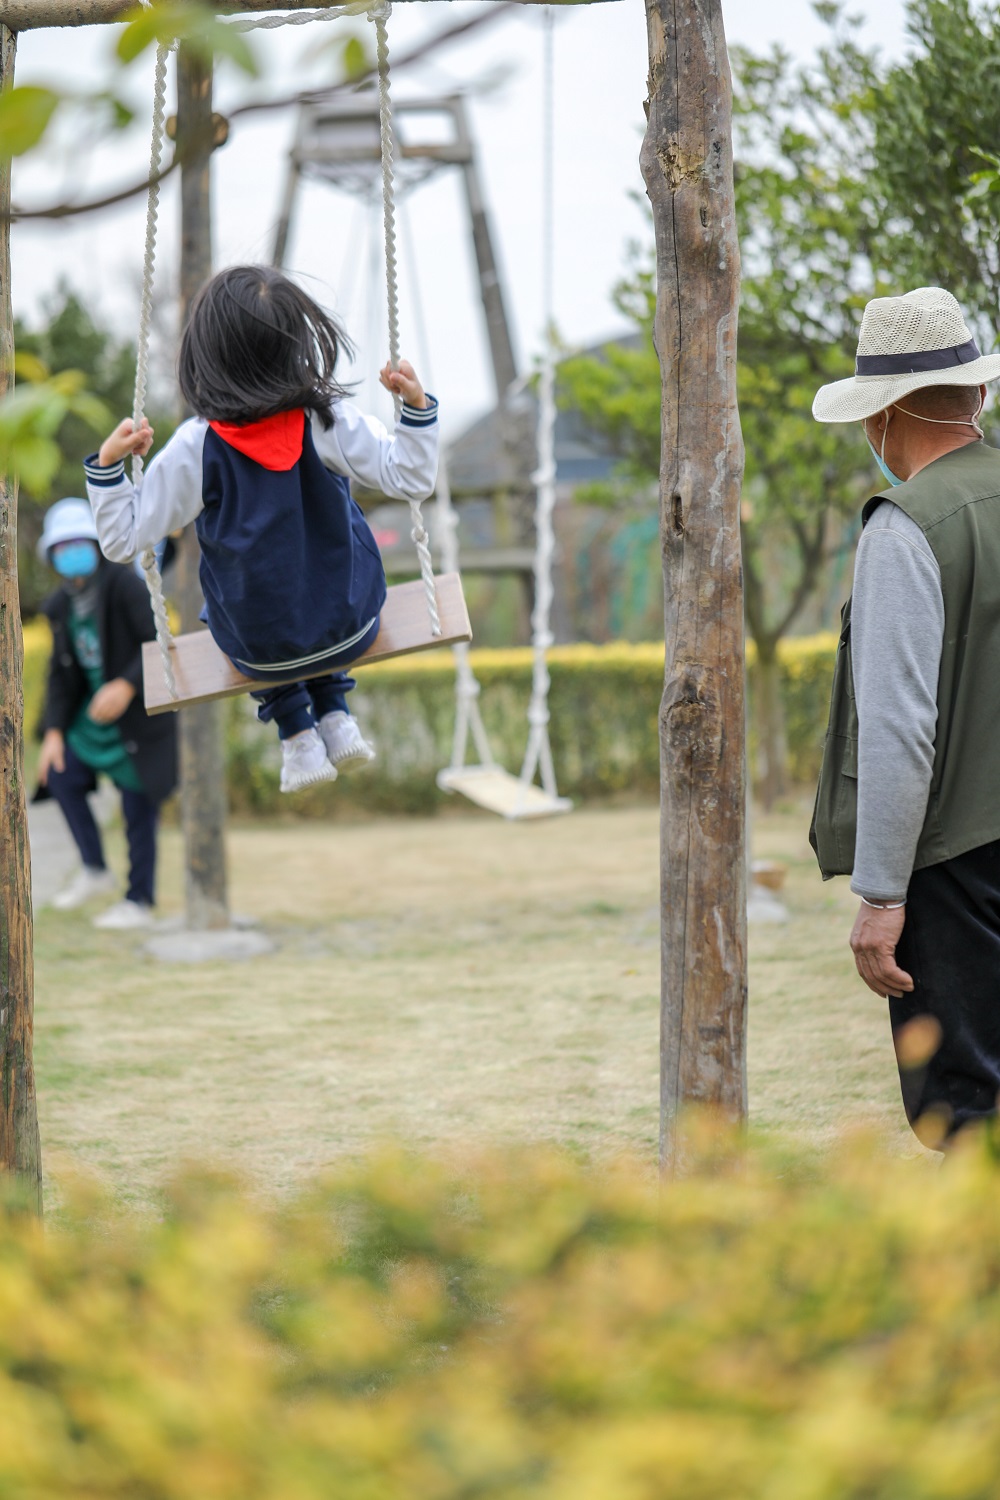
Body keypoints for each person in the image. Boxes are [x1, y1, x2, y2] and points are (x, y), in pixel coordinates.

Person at [83, 264, 439, 794]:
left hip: (258, 647)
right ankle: (336, 718)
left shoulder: (195, 447)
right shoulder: (328, 420)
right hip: (351, 621)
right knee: (318, 581)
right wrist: (414, 408)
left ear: (205, 356)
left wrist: (110, 470)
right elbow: (412, 477)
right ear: (297, 344)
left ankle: (298, 736)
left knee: (246, 606)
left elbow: (121, 540)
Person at [811, 285, 1000, 1147]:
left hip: (959, 866)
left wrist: (882, 895)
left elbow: (897, 728)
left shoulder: (903, 530)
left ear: (880, 417)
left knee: (969, 1110)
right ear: (980, 394)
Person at [36, 498, 178, 929]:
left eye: (80, 543)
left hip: (137, 717)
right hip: (92, 717)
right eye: (63, 546)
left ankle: (139, 899)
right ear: (52, 555)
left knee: (138, 807)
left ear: (97, 545)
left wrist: (126, 683)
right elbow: (61, 675)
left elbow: (159, 640)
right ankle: (94, 869)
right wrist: (53, 731)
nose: (72, 553)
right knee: (61, 774)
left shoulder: (124, 584)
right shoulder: (58, 605)